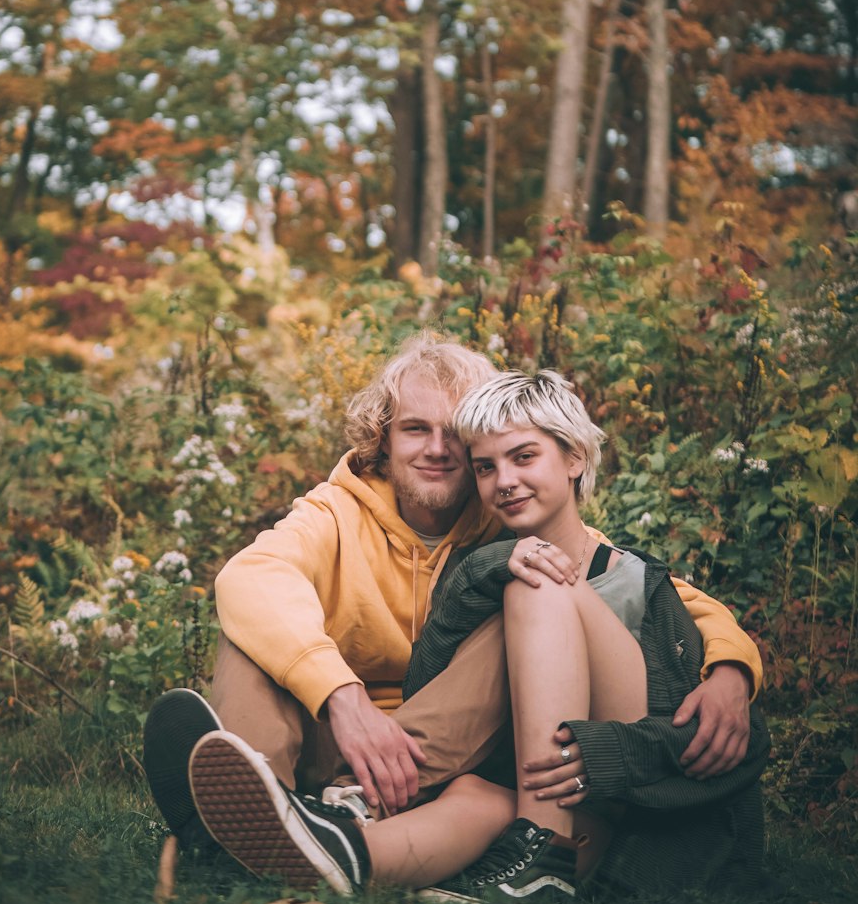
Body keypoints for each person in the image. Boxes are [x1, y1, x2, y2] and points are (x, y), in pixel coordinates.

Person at [143, 337, 762, 875]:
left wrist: (732, 671)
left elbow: (660, 593)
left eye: (456, 438)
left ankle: (272, 833)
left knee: (533, 592)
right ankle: (260, 801)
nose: (437, 450)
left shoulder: (507, 525)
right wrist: (341, 696)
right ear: (382, 440)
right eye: (415, 428)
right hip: (331, 736)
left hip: (431, 761)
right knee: (254, 634)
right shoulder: (333, 514)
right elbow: (252, 576)